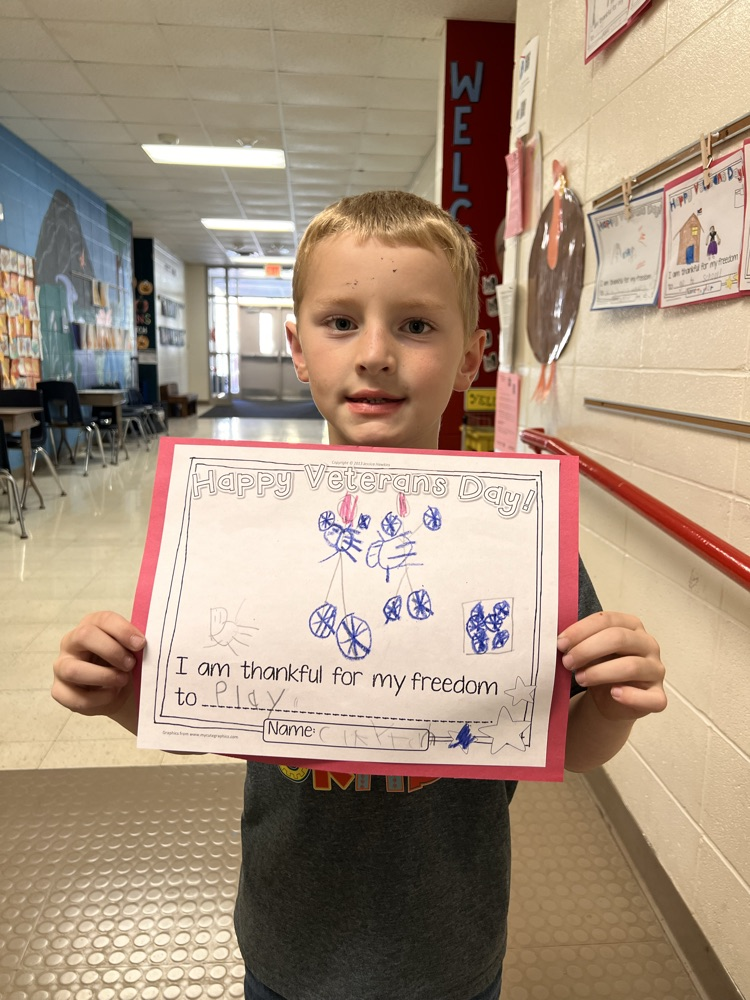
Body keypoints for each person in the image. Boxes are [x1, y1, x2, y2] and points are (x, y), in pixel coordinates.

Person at [53, 190, 667, 1000]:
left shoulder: (518, 541)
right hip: (288, 940)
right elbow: (198, 711)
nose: (375, 353)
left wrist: (614, 706)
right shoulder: (245, 531)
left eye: (415, 325)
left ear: (472, 355)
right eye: (341, 322)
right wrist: (121, 694)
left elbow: (570, 744)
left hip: (449, 949)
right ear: (298, 348)